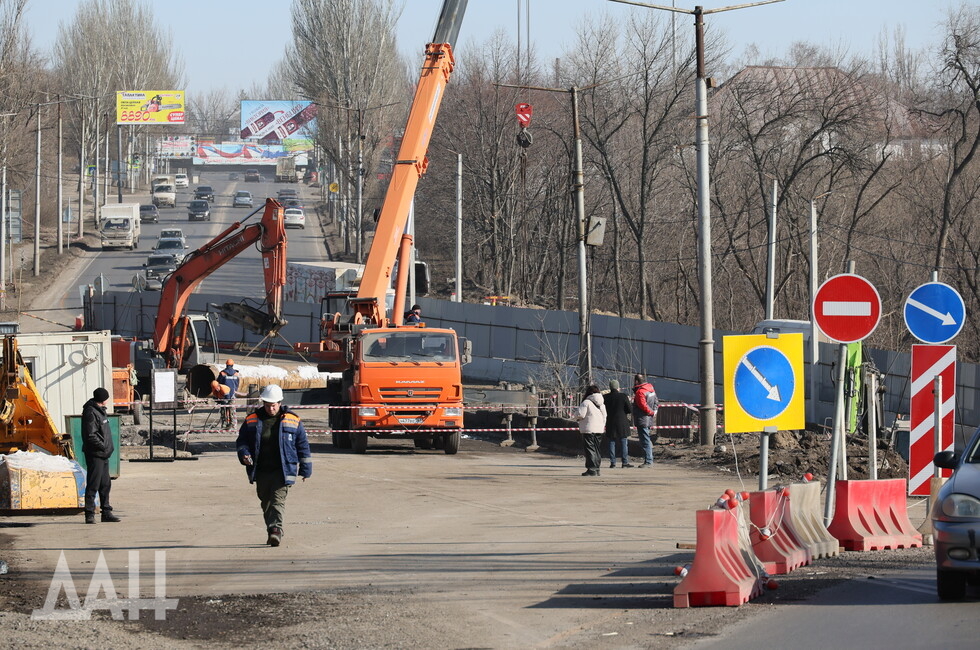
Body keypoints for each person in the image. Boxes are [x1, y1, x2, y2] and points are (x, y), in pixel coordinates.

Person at [236, 384, 312, 547]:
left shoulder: (293, 419)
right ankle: (272, 528)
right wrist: (244, 454)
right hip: (261, 469)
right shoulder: (252, 419)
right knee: (266, 502)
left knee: (277, 500)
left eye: (274, 405)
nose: (271, 408)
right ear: (263, 403)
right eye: (268, 405)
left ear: (279, 402)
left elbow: (302, 445)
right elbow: (242, 441)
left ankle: (276, 530)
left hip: (282, 469)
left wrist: (306, 469)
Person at [81, 387, 120, 524]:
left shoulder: (101, 411)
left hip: (103, 454)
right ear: (102, 399)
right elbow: (90, 435)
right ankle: (89, 513)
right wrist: (103, 446)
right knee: (93, 484)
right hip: (95, 453)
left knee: (105, 484)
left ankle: (106, 512)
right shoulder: (91, 412)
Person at [575, 384, 606, 476]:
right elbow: (605, 416)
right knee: (597, 449)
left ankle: (591, 469)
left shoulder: (586, 402)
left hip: (588, 429)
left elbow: (580, 414)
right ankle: (597, 468)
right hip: (599, 429)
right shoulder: (601, 404)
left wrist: (575, 415)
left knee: (590, 449)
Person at [603, 379, 633, 468]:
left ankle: (613, 462)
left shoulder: (605, 397)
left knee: (611, 442)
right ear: (618, 387)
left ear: (610, 387)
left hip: (610, 421)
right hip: (622, 422)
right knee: (624, 441)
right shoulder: (623, 396)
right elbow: (629, 409)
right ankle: (625, 462)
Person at [632, 374, 659, 468]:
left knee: (645, 440)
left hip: (642, 418)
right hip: (648, 419)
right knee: (646, 439)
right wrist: (654, 411)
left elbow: (642, 405)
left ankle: (648, 461)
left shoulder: (640, 392)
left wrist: (650, 412)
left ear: (636, 381)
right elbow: (656, 400)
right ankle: (648, 460)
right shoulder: (650, 388)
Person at [217, 360, 241, 428]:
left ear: (226, 365)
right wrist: (234, 391)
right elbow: (237, 384)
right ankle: (232, 423)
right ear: (233, 365)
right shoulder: (236, 374)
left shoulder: (222, 373)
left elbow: (219, 383)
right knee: (231, 409)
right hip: (232, 394)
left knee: (224, 409)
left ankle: (224, 423)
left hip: (224, 394)